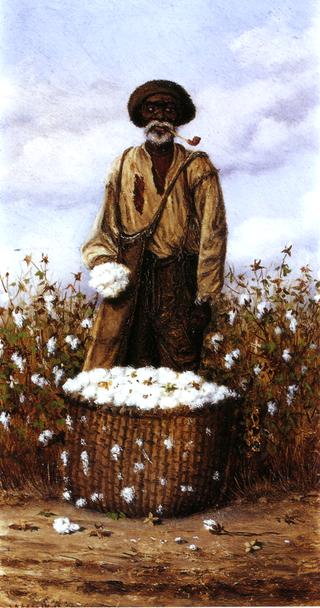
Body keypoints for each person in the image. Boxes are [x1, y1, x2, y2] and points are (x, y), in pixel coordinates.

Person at [81, 79, 227, 372]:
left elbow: (214, 233)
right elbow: (104, 228)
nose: (160, 117)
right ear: (142, 117)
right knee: (122, 368)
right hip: (131, 283)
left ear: (177, 118)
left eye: (168, 109)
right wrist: (105, 266)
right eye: (152, 109)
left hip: (179, 282)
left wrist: (205, 297)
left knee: (180, 371)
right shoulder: (123, 164)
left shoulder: (198, 167)